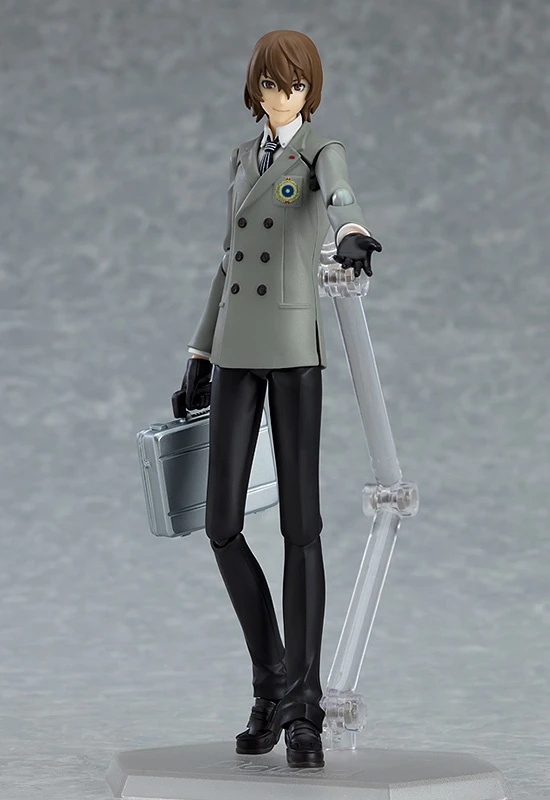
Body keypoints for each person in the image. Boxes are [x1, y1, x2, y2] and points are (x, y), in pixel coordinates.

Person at [174, 29, 381, 768]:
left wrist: (352, 230)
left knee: (301, 526)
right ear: (255, 88)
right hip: (236, 346)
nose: (281, 95)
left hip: (293, 347)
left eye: (293, 85)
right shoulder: (243, 157)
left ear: (309, 91)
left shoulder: (320, 150)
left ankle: (303, 706)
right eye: (270, 83)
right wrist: (200, 351)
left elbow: (342, 196)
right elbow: (227, 260)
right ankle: (271, 678)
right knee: (221, 524)